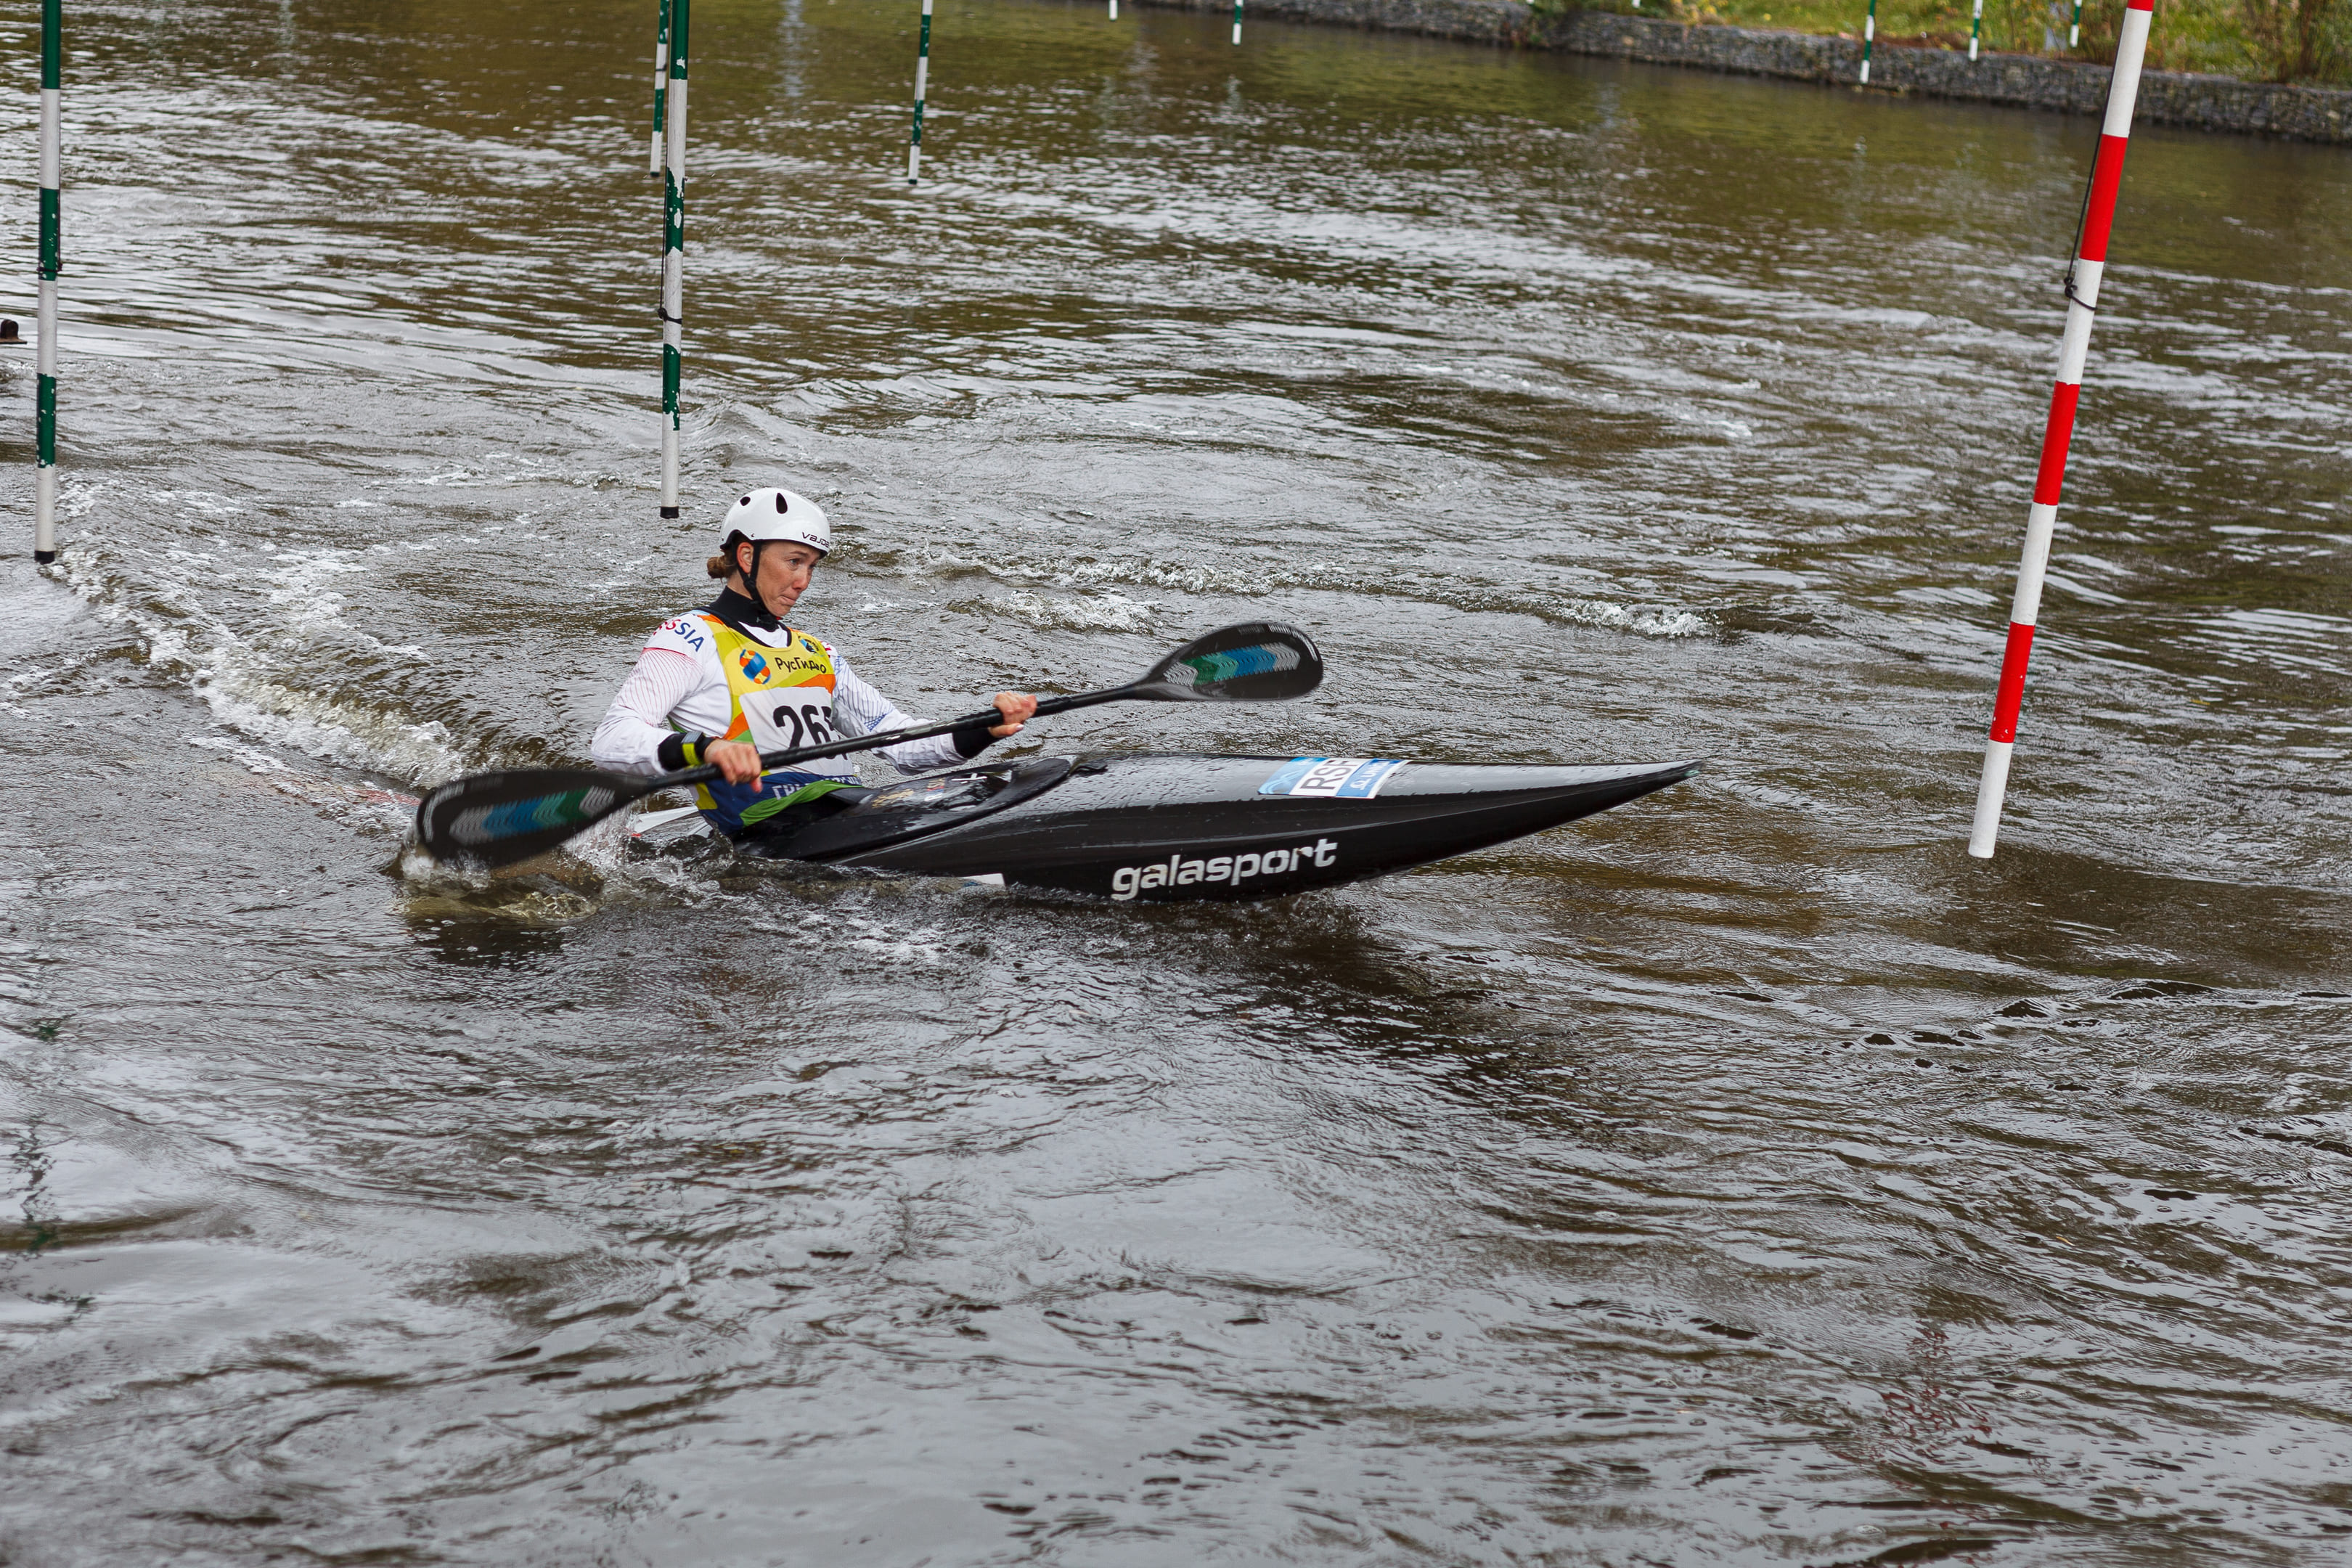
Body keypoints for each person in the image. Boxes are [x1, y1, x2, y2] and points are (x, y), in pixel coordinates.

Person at [592, 486, 1037, 836]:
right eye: (794, 562)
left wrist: (983, 728)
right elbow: (613, 739)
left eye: (811, 566)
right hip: (774, 829)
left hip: (847, 810)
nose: (803, 581)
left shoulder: (818, 653)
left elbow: (899, 743)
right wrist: (706, 748)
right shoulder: (689, 636)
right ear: (747, 556)